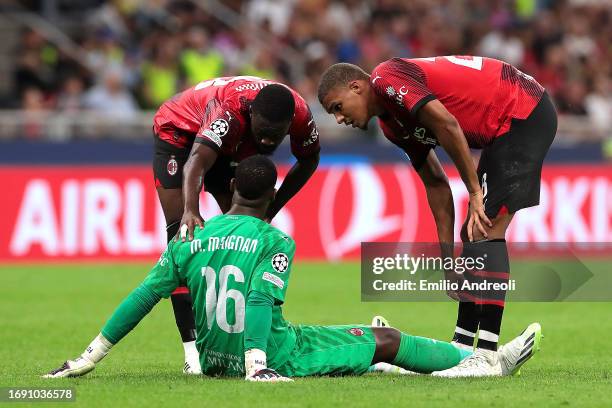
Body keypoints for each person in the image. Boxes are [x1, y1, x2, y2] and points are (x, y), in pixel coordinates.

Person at [44, 156, 541, 381]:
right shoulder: (275, 239)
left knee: (357, 337)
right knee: (384, 341)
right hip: (272, 356)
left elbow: (142, 297)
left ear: (235, 189)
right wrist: (259, 367)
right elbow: (259, 300)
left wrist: (90, 356)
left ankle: (378, 357)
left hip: (217, 361)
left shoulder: (189, 237)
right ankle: (484, 364)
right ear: (272, 196)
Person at [317, 56, 556, 377]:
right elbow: (436, 183)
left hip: (523, 110)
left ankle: (485, 355)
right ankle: (461, 348)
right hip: (504, 124)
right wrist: (447, 261)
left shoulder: (386, 78)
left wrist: (474, 192)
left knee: (486, 228)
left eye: (337, 106)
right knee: (472, 235)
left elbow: (447, 124)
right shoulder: (391, 126)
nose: (338, 118)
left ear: (356, 87)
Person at [152, 76, 320, 373]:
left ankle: (246, 342)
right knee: (181, 234)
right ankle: (192, 352)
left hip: (232, 142)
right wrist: (192, 210)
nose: (268, 141)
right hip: (179, 131)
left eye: (276, 136)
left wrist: (273, 208)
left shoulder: (302, 115)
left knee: (242, 236)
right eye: (264, 133)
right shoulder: (228, 111)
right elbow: (196, 163)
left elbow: (309, 160)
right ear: (252, 113)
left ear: (290, 124)